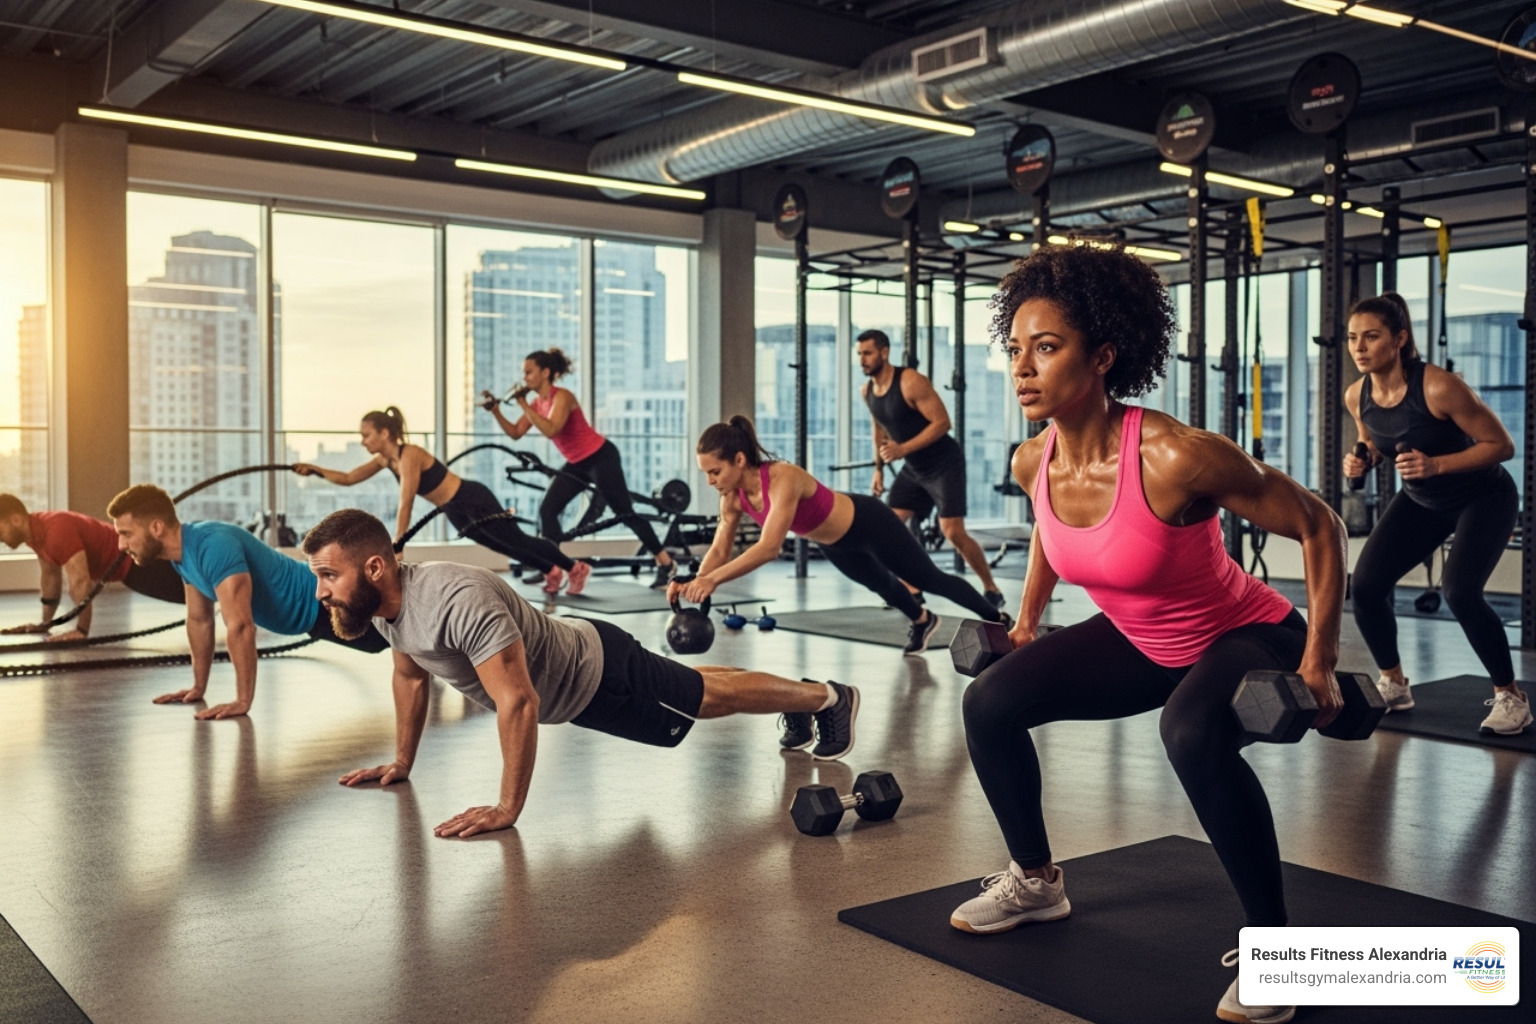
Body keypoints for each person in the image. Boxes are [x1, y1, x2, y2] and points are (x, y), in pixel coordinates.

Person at [948, 245, 1347, 1024]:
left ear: (1102, 356)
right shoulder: (1035, 459)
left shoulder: (1176, 456)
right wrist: (1027, 622)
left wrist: (1320, 662)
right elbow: (1048, 536)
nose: (1023, 368)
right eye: (1016, 350)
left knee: (1190, 731)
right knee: (990, 702)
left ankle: (1279, 952)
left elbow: (1318, 525)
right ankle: (1036, 881)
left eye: (1047, 347)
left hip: (1244, 634)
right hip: (1141, 639)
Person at [301, 508, 859, 837]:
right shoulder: (384, 609)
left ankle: (825, 699)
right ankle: (804, 697)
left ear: (374, 567)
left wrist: (506, 808)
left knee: (705, 697)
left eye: (329, 576)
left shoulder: (455, 598)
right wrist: (402, 761)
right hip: (580, 676)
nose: (322, 591)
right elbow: (409, 676)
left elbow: (519, 702)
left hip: (598, 672)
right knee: (702, 689)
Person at [677, 415, 1006, 664]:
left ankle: (998, 619)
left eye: (714, 472)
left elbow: (769, 547)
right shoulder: (732, 499)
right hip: (834, 543)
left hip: (869, 522)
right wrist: (697, 579)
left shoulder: (782, 478)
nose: (709, 481)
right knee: (883, 587)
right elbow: (720, 548)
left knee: (929, 579)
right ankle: (923, 621)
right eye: (705, 473)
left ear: (738, 460)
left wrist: (712, 580)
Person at [1342, 293, 1527, 735]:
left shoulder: (1439, 386)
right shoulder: (1358, 394)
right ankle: (1395, 683)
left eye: (1372, 336)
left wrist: (1437, 465)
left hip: (1484, 497)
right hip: (1423, 500)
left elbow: (1502, 446)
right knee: (1365, 587)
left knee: (1460, 591)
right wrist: (1363, 460)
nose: (1360, 347)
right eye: (1353, 338)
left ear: (1400, 339)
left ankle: (1510, 697)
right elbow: (1374, 442)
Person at [106, 484, 389, 720]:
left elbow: (241, 625)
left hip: (326, 602)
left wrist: (242, 701)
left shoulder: (213, 546)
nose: (120, 545)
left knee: (402, 637)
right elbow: (199, 620)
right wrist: (198, 686)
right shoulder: (183, 558)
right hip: (312, 618)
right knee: (394, 645)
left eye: (126, 534)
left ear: (156, 527)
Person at [295, 406, 591, 596]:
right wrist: (315, 470)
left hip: (471, 498)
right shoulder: (387, 459)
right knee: (499, 545)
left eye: (366, 435)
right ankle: (550, 570)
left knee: (516, 539)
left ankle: (573, 566)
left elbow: (406, 501)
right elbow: (349, 477)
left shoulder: (409, 455)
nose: (363, 441)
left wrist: (397, 544)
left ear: (385, 432)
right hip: (454, 509)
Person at [483, 347, 678, 589]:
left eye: (529, 372)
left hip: (600, 457)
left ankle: (666, 563)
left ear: (546, 372)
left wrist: (523, 405)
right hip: (577, 463)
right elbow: (515, 433)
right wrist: (496, 411)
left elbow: (552, 429)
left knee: (624, 513)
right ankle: (552, 566)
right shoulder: (537, 403)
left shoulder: (562, 396)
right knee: (548, 510)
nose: (525, 378)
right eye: (524, 373)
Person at [857, 330, 1005, 609]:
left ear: (884, 353)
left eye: (867, 353)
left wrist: (902, 449)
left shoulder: (910, 381)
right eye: (859, 355)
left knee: (952, 531)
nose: (862, 360)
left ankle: (991, 588)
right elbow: (878, 429)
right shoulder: (868, 392)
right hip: (914, 469)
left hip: (943, 463)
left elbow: (942, 423)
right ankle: (912, 588)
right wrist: (878, 470)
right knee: (887, 526)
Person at [0, 495, 184, 642]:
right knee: (197, 594)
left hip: (141, 562)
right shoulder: (37, 536)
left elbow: (80, 580)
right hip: (130, 572)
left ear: (16, 519)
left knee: (200, 591)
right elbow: (50, 578)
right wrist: (44, 624)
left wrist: (81, 630)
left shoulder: (56, 530)